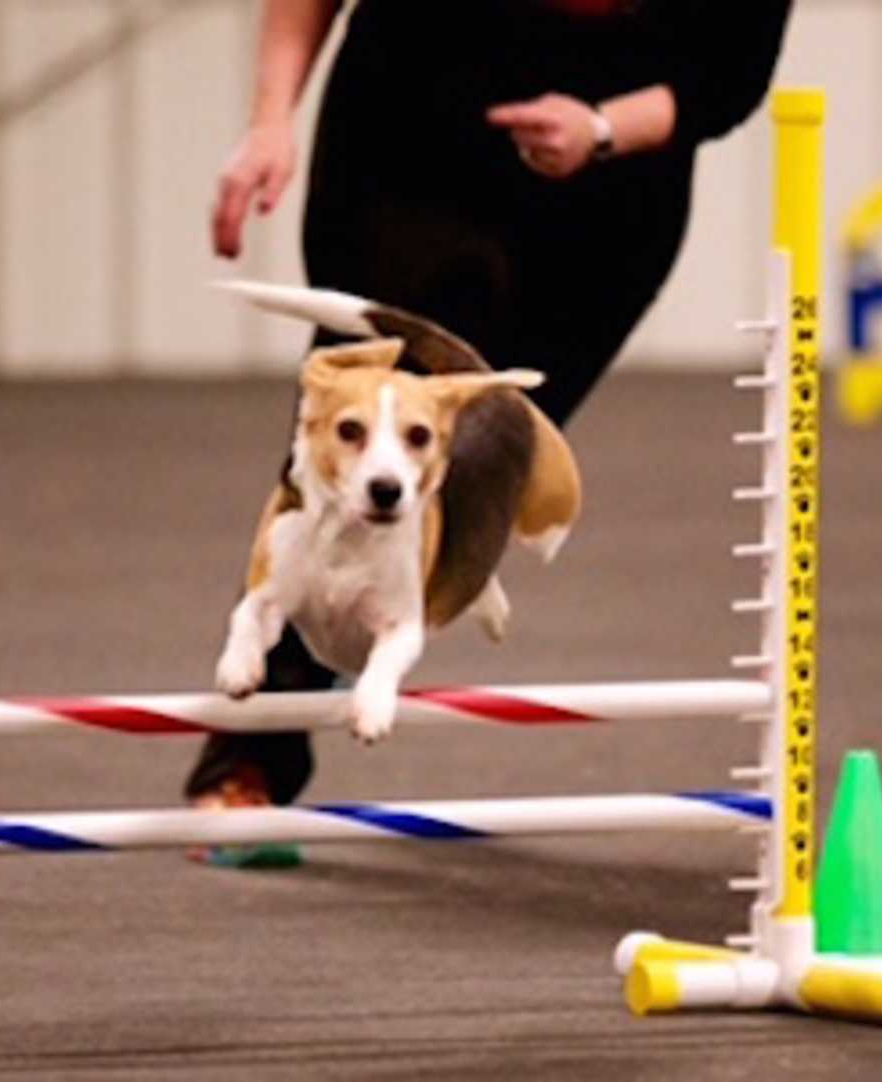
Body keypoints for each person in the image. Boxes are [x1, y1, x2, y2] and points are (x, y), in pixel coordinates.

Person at [186, 0, 794, 821]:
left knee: (481, 459)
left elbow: (728, 74)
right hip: (408, 135)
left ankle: (360, 641)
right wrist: (269, 121)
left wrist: (601, 129)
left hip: (606, 199)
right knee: (364, 441)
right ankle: (250, 761)